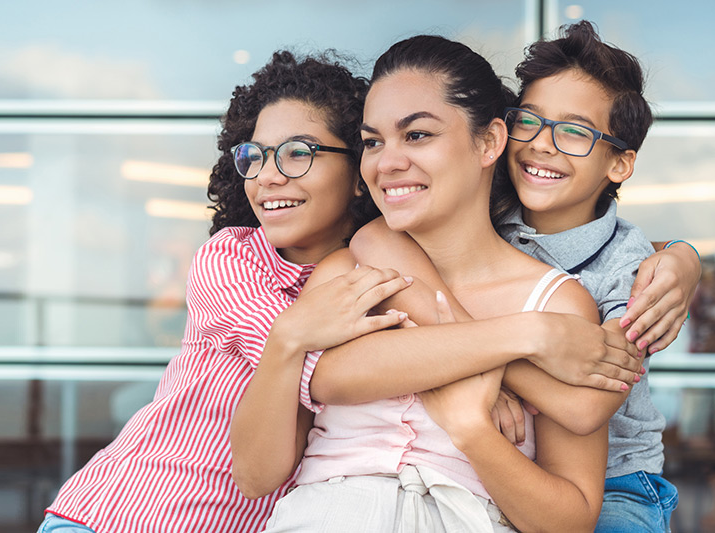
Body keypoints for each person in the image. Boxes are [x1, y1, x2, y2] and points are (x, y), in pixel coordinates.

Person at [232, 33, 699, 532]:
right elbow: (272, 455)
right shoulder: (347, 271)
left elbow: (574, 501)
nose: (387, 162)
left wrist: (471, 428)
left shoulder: (571, 297)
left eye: (417, 135)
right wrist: (520, 340)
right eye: (372, 142)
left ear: (490, 141)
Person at [37, 51, 416, 533]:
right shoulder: (230, 259)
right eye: (254, 156)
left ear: (361, 173)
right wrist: (474, 373)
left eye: (298, 152)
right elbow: (328, 374)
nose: (267, 176)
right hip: (117, 518)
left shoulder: (377, 272)